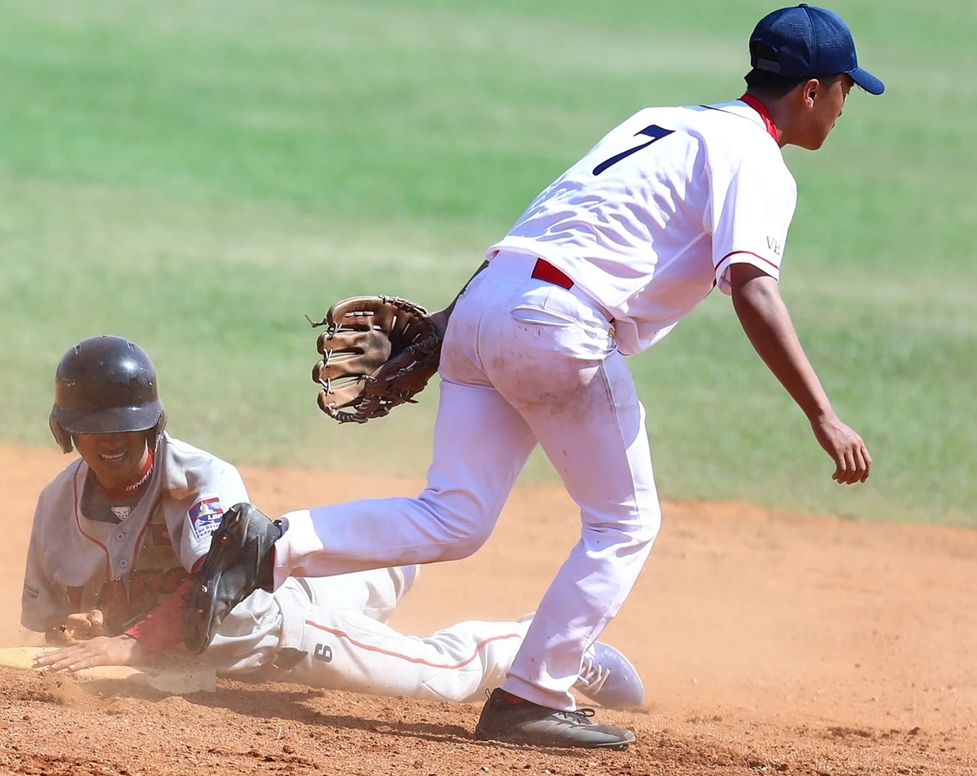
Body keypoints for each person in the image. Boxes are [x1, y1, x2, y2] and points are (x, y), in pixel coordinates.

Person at [184, 4, 880, 749]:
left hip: (491, 299)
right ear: (811, 89)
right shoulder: (756, 159)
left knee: (453, 516)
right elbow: (752, 284)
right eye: (845, 90)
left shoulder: (661, 123)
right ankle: (532, 694)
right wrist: (822, 414)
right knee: (624, 522)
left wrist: (455, 324)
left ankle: (266, 544)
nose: (845, 107)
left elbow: (541, 226)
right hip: (558, 324)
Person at [20, 334, 646, 712]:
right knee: (385, 575)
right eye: (95, 432)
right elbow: (49, 633)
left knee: (445, 678)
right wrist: (87, 626)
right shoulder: (56, 507)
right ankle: (388, 568)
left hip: (280, 629)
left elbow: (218, 587)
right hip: (286, 593)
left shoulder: (201, 481)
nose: (112, 443)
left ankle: (531, 642)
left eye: (127, 427)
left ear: (153, 421)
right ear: (67, 432)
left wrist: (127, 641)